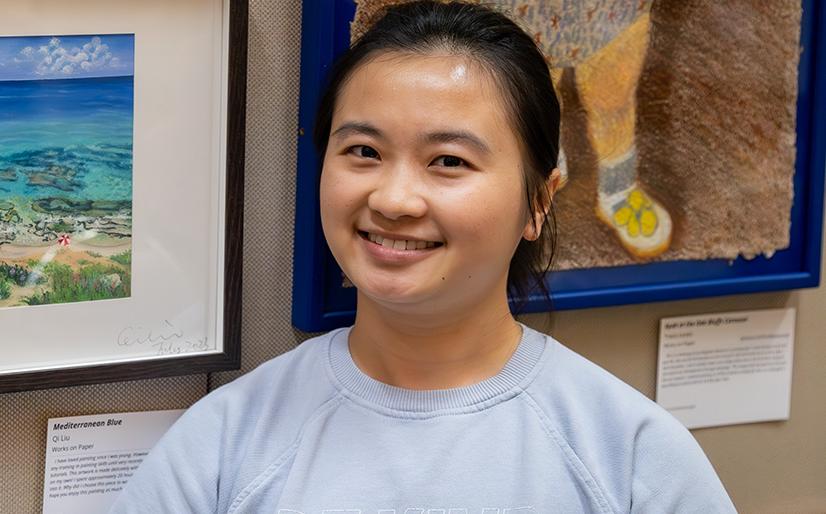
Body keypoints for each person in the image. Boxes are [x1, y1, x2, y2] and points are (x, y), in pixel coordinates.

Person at [109, 2, 735, 512]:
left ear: (538, 202)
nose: (394, 199)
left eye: (449, 162)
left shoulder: (630, 456)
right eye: (362, 151)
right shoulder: (224, 442)